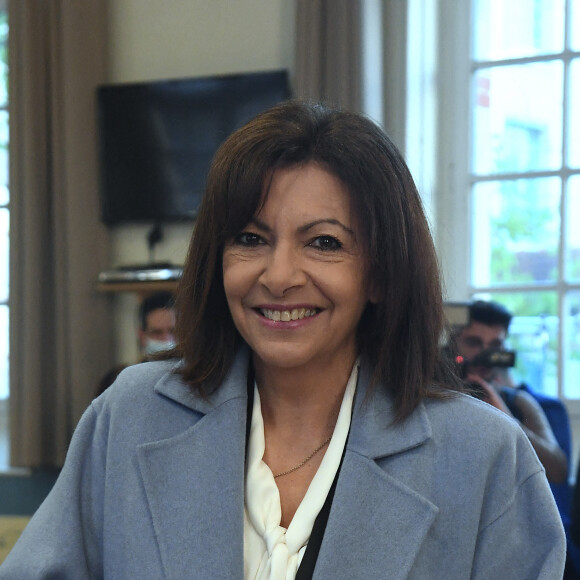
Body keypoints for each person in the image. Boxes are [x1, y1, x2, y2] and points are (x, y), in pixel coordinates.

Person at [0, 101, 565, 578]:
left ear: (381, 272)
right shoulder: (129, 416)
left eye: (323, 242)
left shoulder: (483, 456)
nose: (278, 275)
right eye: (250, 237)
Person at [452, 300, 568, 484]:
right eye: (474, 343)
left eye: (495, 345)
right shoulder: (436, 396)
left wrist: (506, 416)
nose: (485, 354)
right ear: (453, 343)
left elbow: (557, 470)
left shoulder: (517, 401)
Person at [137, 290, 176, 359]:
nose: (166, 339)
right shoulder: (133, 370)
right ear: (142, 336)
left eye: (173, 331)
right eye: (157, 332)